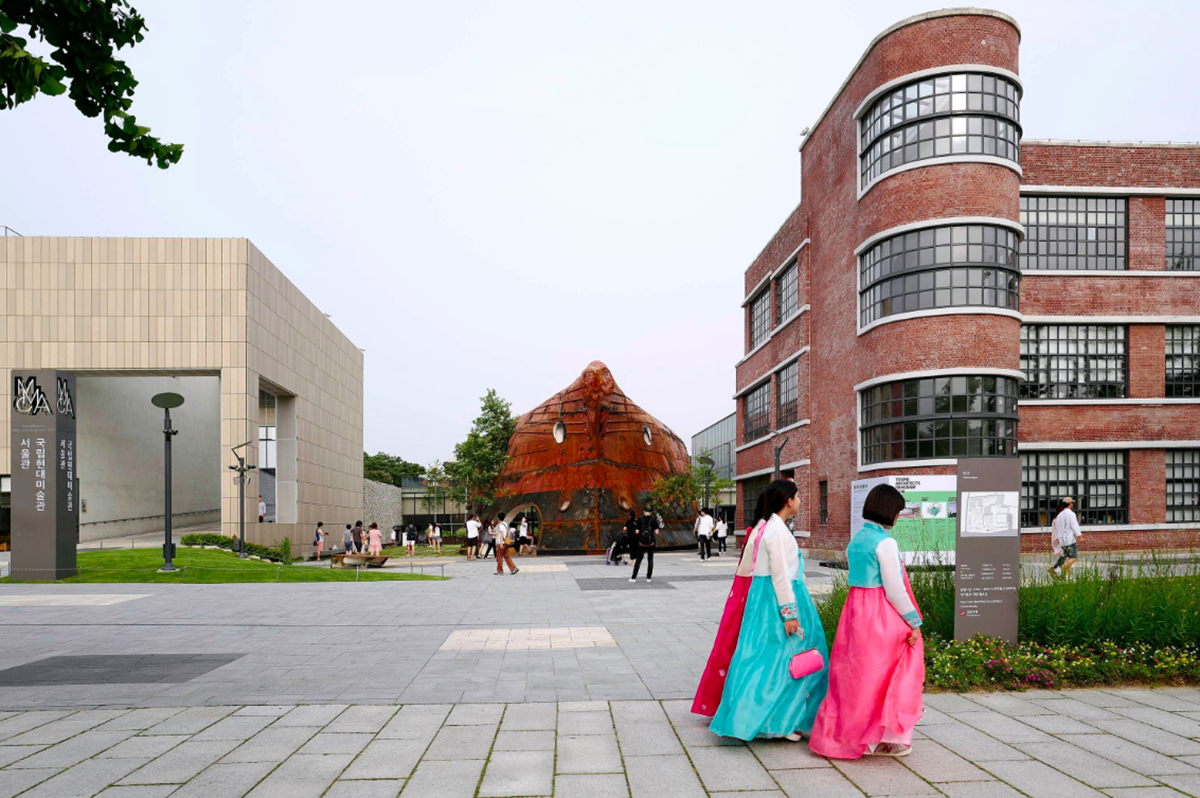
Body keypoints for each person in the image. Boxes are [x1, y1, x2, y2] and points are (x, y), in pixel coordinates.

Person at [809, 484, 924, 760]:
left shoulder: (857, 540)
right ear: (889, 511)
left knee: (856, 675)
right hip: (879, 611)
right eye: (898, 511)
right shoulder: (886, 542)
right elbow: (895, 589)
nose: (898, 516)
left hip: (855, 611)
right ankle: (886, 738)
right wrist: (913, 622)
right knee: (894, 670)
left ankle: (855, 733)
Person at [708, 480, 829, 741]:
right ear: (788, 500)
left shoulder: (773, 528)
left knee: (772, 661)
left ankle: (777, 721)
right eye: (797, 497)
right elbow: (780, 575)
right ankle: (777, 723)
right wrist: (789, 614)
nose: (799, 501)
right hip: (778, 601)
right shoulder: (776, 531)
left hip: (771, 598)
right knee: (781, 661)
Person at [693, 495, 769, 717]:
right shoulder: (764, 532)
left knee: (729, 646)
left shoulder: (754, 529)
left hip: (740, 592)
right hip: (751, 591)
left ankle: (718, 702)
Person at [1050, 496, 1082, 576]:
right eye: (1072, 503)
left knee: (1066, 558)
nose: (1073, 504)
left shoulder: (1060, 515)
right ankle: (1058, 569)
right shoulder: (1071, 514)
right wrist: (1079, 536)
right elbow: (1075, 526)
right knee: (1073, 557)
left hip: (1062, 541)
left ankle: (1067, 576)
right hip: (1070, 540)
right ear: (1070, 504)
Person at [630, 508, 659, 582]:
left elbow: (636, 531)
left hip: (642, 543)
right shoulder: (653, 520)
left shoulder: (640, 519)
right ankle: (648, 577)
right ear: (651, 512)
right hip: (651, 543)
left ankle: (633, 577)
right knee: (650, 560)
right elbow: (657, 532)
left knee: (638, 560)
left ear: (644, 512)